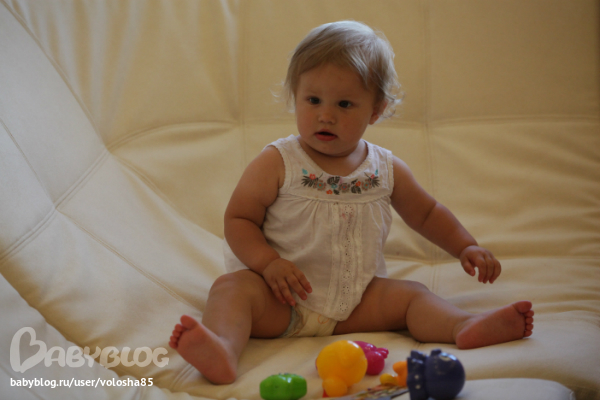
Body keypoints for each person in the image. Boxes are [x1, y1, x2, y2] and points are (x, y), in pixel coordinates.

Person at [168, 20, 534, 385]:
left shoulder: (386, 169)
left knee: (413, 297)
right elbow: (239, 219)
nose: (326, 115)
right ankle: (223, 348)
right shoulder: (279, 162)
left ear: (375, 110)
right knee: (231, 289)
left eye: (344, 104)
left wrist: (465, 246)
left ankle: (463, 326)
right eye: (313, 100)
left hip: (357, 302)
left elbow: (426, 213)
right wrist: (268, 264)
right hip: (280, 300)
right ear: (295, 96)